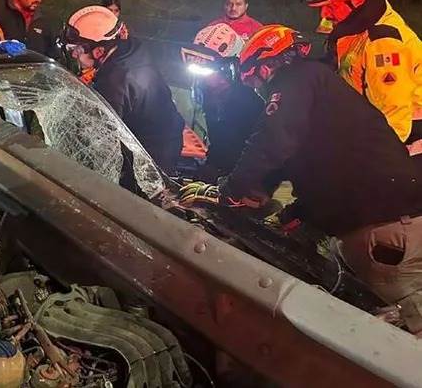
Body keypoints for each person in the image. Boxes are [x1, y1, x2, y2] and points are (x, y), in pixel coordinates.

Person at [179, 25, 422, 305]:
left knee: (404, 329)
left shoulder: (298, 80)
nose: (256, 87)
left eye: (253, 77)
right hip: (376, 222)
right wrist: (292, 210)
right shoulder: (317, 90)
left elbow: (272, 141)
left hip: (385, 226)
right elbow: (318, 164)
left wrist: (230, 191)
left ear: (266, 65)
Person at [300, 0, 422, 160]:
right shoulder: (351, 26)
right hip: (369, 124)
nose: (325, 14)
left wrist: (373, 163)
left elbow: (394, 116)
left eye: (331, 6)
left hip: (407, 135)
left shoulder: (383, 42)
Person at [65, 5, 184, 172]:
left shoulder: (115, 82)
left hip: (151, 153)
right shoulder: (131, 49)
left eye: (77, 50)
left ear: (99, 51)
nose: (73, 55)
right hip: (166, 133)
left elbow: (102, 139)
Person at [181, 23, 263, 180]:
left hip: (249, 172)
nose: (204, 77)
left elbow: (254, 147)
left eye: (210, 69)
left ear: (230, 69)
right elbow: (218, 138)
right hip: (221, 164)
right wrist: (211, 165)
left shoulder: (250, 100)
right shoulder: (205, 91)